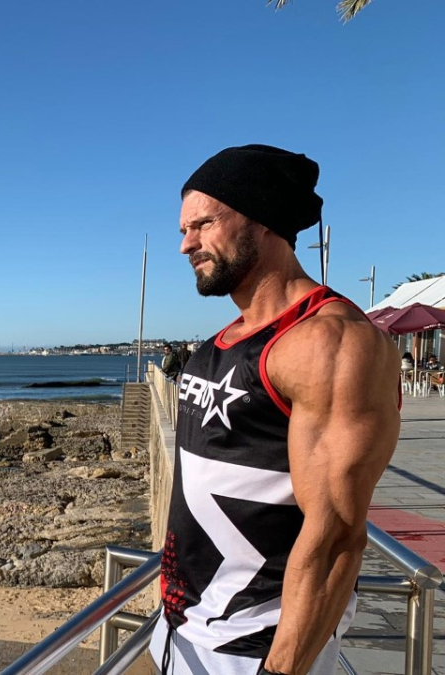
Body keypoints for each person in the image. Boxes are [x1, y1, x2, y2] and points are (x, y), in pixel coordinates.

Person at [152, 144, 401, 675]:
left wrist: (279, 670)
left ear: (262, 220)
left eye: (203, 224)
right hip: (181, 623)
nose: (186, 245)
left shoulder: (330, 343)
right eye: (182, 230)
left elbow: (336, 537)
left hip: (255, 646)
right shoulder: (217, 343)